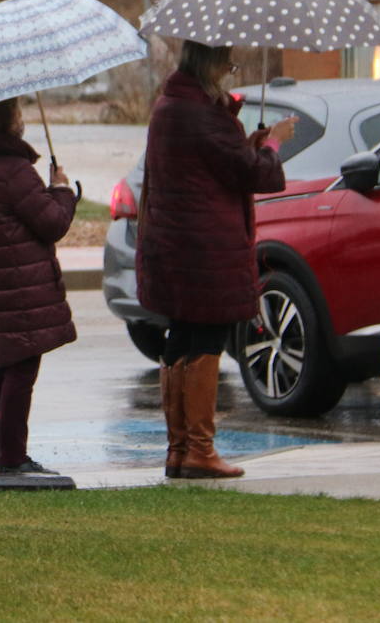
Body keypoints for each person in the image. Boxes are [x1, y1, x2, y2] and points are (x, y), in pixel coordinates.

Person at [136, 40, 297, 479]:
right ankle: (200, 451)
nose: (230, 68)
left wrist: (246, 142)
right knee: (206, 337)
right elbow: (254, 174)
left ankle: (180, 449)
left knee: (183, 337)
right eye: (226, 61)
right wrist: (272, 145)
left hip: (177, 245)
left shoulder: (170, 107)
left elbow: (216, 164)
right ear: (209, 63)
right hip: (205, 247)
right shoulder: (202, 114)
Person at [0, 97, 77, 474]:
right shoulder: (13, 170)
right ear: (8, 119)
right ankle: (12, 458)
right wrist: (61, 190)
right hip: (18, 287)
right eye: (18, 111)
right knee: (21, 369)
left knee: (1, 368)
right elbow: (53, 223)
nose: (23, 118)